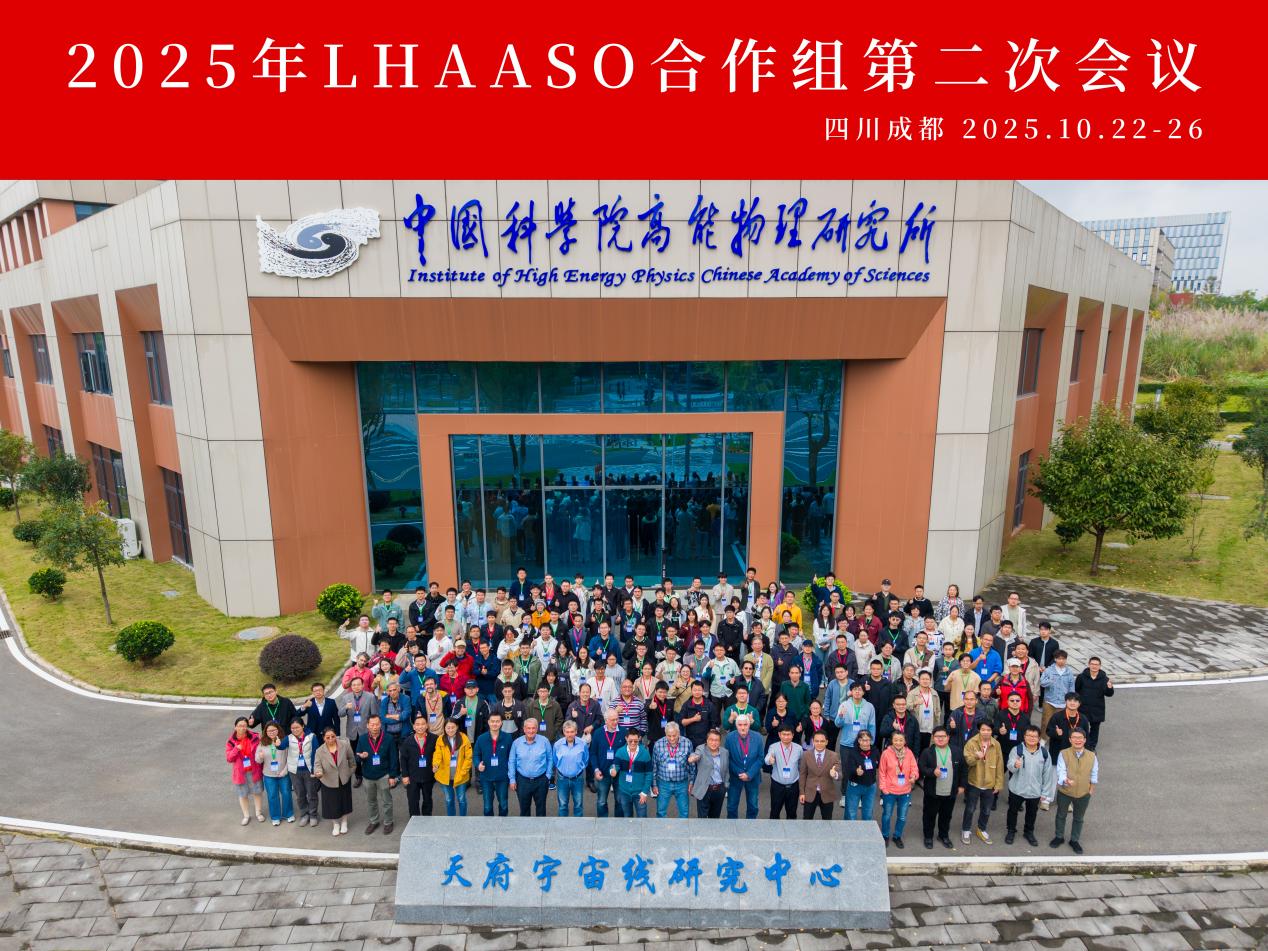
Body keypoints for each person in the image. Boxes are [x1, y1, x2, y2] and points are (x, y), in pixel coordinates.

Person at [1004, 726, 1055, 846]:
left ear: (1039, 738)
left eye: (1034, 736)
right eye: (1029, 736)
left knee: (1032, 813)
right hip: (1017, 788)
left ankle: (1028, 832)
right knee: (1012, 811)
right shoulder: (1017, 750)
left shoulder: (1044, 753)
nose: (1031, 738)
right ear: (1024, 737)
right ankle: (1011, 830)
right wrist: (1015, 765)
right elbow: (1010, 766)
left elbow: (1048, 774)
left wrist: (1045, 793)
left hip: (1035, 791)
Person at [1052, 727, 1098, 854]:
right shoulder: (1063, 753)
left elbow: (1094, 773)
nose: (1077, 740)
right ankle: (1059, 837)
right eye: (1074, 737)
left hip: (1084, 793)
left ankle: (1074, 840)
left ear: (1084, 740)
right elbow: (1061, 770)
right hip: (1065, 791)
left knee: (1079, 818)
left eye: (1080, 738)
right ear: (1070, 739)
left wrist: (1091, 790)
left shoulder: (1092, 756)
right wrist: (1065, 780)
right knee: (1061, 815)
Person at [918, 726, 963, 849]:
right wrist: (932, 772)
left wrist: (962, 786)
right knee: (929, 816)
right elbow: (921, 768)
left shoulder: (957, 751)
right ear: (933, 738)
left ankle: (943, 836)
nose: (940, 739)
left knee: (946, 816)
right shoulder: (927, 752)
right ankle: (928, 837)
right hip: (932, 792)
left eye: (943, 736)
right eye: (937, 736)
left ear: (948, 737)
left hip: (950, 792)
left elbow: (963, 770)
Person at [961, 721, 1005, 844]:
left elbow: (1000, 765)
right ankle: (966, 829)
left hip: (990, 784)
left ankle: (981, 829)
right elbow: (968, 761)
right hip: (974, 782)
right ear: (979, 730)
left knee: (986, 810)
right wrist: (976, 757)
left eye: (988, 730)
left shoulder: (996, 744)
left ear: (992, 731)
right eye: (983, 730)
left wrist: (998, 784)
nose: (986, 732)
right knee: (970, 809)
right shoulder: (971, 743)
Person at [354, 714, 397, 834]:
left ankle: (388, 822)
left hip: (384, 775)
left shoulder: (388, 738)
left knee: (387, 801)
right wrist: (361, 757)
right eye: (372, 724)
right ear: (367, 725)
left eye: (377, 724)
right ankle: (374, 821)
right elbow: (357, 757)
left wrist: (392, 776)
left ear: (380, 724)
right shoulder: (362, 739)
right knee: (371, 801)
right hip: (368, 776)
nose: (375, 727)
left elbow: (394, 758)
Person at [312, 727, 355, 836]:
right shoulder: (319, 751)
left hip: (343, 778)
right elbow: (317, 765)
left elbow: (351, 759)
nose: (331, 739)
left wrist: (350, 772)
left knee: (345, 801)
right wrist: (318, 772)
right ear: (323, 738)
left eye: (333, 736)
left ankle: (344, 822)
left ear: (336, 736)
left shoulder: (344, 745)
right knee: (332, 803)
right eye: (328, 737)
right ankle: (335, 824)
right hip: (328, 780)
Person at [877, 731, 916, 847]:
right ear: (892, 741)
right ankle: (885, 835)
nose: (898, 742)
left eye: (901, 740)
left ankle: (897, 836)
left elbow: (914, 768)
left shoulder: (909, 753)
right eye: (895, 740)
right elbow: (882, 772)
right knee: (887, 815)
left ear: (905, 741)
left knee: (902, 817)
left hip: (905, 791)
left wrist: (914, 776)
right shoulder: (886, 753)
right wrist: (883, 788)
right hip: (889, 791)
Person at [508, 718, 554, 816]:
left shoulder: (544, 741)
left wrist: (548, 775)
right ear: (524, 729)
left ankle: (540, 826)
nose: (531, 731)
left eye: (533, 728)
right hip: (522, 781)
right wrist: (512, 779)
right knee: (524, 810)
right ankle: (526, 826)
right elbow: (512, 761)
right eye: (528, 728)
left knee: (541, 810)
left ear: (537, 729)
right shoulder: (516, 743)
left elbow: (550, 758)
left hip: (541, 780)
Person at [255, 721, 295, 826]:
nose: (271, 732)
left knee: (286, 793)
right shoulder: (262, 743)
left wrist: (285, 770)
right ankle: (275, 817)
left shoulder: (284, 742)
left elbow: (290, 757)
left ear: (278, 730)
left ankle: (288, 814)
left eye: (274, 730)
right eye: (269, 731)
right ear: (265, 732)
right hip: (269, 775)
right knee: (272, 796)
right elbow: (257, 760)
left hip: (283, 773)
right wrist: (260, 757)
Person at [226, 718, 265, 825]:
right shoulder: (231, 741)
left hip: (254, 770)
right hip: (240, 773)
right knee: (243, 794)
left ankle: (258, 813)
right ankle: (246, 815)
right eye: (240, 725)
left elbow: (262, 749)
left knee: (257, 792)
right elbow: (229, 758)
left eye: (244, 725)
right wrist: (236, 749)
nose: (242, 728)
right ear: (235, 727)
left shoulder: (255, 737)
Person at [651, 722, 694, 817]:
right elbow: (654, 766)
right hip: (663, 783)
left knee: (684, 813)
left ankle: (682, 827)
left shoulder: (687, 743)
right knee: (661, 812)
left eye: (674, 735)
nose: (672, 738)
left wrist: (691, 782)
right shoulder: (658, 744)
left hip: (682, 783)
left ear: (679, 733)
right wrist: (654, 784)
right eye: (669, 736)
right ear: (665, 734)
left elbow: (692, 765)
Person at [472, 711, 509, 817]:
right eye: (492, 721)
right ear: (488, 722)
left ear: (501, 723)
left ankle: (502, 824)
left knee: (503, 805)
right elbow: (476, 755)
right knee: (487, 807)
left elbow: (511, 757)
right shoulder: (481, 738)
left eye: (497, 721)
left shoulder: (507, 738)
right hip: (486, 777)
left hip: (502, 777)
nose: (495, 724)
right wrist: (478, 764)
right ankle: (489, 825)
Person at [433, 718, 473, 816]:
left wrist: (463, 772)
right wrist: (436, 764)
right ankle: (451, 820)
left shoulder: (464, 739)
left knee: (461, 799)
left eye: (453, 727)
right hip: (444, 776)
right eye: (448, 728)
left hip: (460, 776)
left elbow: (468, 758)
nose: (450, 730)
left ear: (457, 727)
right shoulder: (440, 739)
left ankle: (462, 819)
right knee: (449, 799)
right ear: (444, 728)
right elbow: (437, 754)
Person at [399, 715, 436, 818]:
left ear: (427, 725)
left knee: (427, 799)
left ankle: (427, 819)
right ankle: (414, 820)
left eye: (423, 724)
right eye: (417, 724)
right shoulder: (408, 741)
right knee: (413, 800)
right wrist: (405, 775)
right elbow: (403, 759)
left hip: (428, 775)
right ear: (414, 727)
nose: (420, 727)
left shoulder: (434, 739)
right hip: (412, 776)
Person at [591, 709, 626, 818]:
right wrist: (596, 770)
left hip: (619, 774)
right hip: (602, 773)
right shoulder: (598, 733)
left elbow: (627, 754)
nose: (615, 722)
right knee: (601, 801)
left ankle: (619, 823)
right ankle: (602, 824)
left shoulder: (624, 732)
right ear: (606, 720)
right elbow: (593, 753)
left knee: (620, 801)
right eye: (612, 720)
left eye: (617, 719)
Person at [798, 730, 841, 820]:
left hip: (827, 793)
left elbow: (840, 774)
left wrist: (835, 774)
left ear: (826, 742)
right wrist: (802, 793)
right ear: (813, 742)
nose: (819, 743)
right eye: (817, 741)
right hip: (810, 793)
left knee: (827, 821)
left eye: (822, 741)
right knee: (807, 820)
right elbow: (802, 775)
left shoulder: (833, 755)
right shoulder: (806, 755)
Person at [1074, 657, 1114, 750]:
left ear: (1100, 666)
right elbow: (1076, 690)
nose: (1094, 666)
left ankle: (1091, 747)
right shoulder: (1081, 677)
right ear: (1089, 665)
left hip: (1097, 708)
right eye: (1092, 664)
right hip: (1083, 708)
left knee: (1095, 729)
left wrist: (1109, 688)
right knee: (1081, 728)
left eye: (1096, 664)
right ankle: (1080, 745)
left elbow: (1109, 694)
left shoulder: (1104, 679)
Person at [286, 718, 320, 827]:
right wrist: (277, 744)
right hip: (295, 771)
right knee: (300, 795)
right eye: (292, 728)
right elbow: (281, 746)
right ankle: (304, 814)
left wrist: (314, 769)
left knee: (311, 793)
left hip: (308, 770)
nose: (295, 730)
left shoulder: (311, 737)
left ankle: (313, 815)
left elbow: (316, 752)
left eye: (297, 727)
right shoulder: (289, 738)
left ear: (303, 726)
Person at [765, 724, 803, 819]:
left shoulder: (798, 748)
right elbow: (767, 758)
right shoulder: (773, 747)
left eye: (788, 734)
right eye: (784, 734)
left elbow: (801, 764)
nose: (786, 737)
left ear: (793, 735)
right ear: (779, 734)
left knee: (792, 813)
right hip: (777, 786)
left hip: (793, 786)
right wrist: (770, 760)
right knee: (775, 812)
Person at [688, 729, 728, 818]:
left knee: (715, 817)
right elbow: (696, 754)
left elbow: (727, 770)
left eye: (716, 740)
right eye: (711, 740)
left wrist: (726, 785)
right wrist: (693, 758)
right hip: (704, 789)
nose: (714, 743)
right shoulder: (701, 749)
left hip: (719, 790)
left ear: (720, 742)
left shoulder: (725, 752)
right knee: (702, 818)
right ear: (707, 740)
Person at [553, 720, 589, 817]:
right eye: (567, 732)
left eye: (572, 732)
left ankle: (577, 825)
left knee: (578, 805)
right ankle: (563, 825)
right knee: (562, 805)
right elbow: (555, 761)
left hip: (578, 778)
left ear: (576, 731)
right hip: (562, 779)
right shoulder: (557, 745)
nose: (570, 734)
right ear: (564, 732)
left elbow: (585, 760)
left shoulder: (583, 744)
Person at [841, 730, 879, 822]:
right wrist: (856, 771)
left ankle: (865, 830)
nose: (865, 743)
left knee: (868, 814)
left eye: (867, 740)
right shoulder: (852, 752)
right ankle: (849, 830)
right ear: (859, 741)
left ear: (871, 740)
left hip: (870, 786)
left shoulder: (875, 751)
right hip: (855, 785)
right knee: (851, 814)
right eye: (863, 740)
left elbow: (878, 764)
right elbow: (848, 768)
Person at [834, 681, 876, 755]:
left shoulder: (869, 706)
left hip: (863, 743)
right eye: (855, 689)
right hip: (846, 743)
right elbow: (838, 724)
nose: (857, 692)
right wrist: (840, 716)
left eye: (859, 689)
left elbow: (872, 726)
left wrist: (870, 742)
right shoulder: (844, 705)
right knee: (845, 763)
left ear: (863, 692)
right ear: (851, 692)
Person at [1039, 650, 1076, 733]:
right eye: (1059, 659)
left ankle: (1058, 738)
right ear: (1055, 659)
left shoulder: (1069, 672)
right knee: (1046, 722)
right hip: (1050, 701)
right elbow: (1042, 683)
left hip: (1063, 702)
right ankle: (1043, 738)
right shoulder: (1048, 670)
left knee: (1061, 724)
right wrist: (1050, 681)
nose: (1061, 661)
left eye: (1063, 659)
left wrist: (1071, 701)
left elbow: (1071, 687)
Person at [908, 670, 942, 754]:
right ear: (919, 680)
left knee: (927, 750)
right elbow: (906, 707)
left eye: (927, 679)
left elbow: (938, 710)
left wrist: (937, 724)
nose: (925, 681)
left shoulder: (934, 693)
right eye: (923, 679)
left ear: (930, 680)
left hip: (930, 727)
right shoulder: (912, 693)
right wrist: (915, 703)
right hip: (917, 727)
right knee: (916, 750)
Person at [1046, 692, 1087, 758]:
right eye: (1070, 700)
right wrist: (1056, 733)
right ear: (1065, 702)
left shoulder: (1083, 719)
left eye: (1075, 701)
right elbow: (1048, 731)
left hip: (1077, 752)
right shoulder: (1057, 717)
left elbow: (1086, 736)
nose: (1072, 703)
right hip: (1058, 752)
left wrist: (1086, 752)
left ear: (1079, 703)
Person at [995, 691, 1029, 762]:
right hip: (1002, 749)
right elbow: (994, 729)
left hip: (1018, 750)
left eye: (1017, 700)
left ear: (1021, 702)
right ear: (1007, 701)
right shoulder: (1001, 714)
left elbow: (1027, 733)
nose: (1015, 702)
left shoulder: (1025, 717)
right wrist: (999, 731)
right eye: (1012, 700)